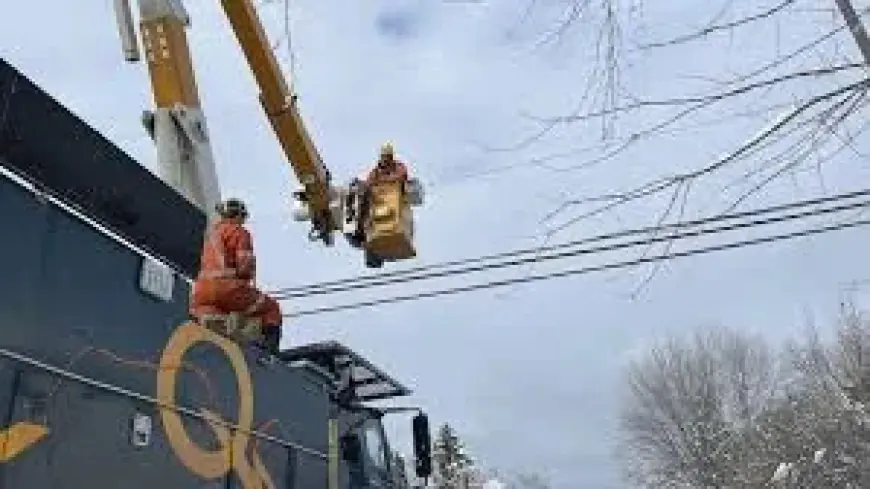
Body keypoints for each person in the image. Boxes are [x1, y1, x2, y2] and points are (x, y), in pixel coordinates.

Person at [190, 198, 282, 357]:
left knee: (216, 322)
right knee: (271, 309)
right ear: (238, 215)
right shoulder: (239, 232)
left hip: (201, 293)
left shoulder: (210, 236)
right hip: (228, 289)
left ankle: (217, 344)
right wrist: (249, 270)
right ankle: (270, 355)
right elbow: (244, 267)